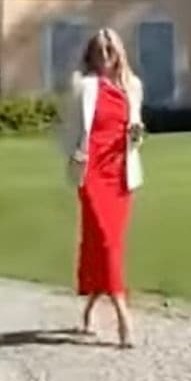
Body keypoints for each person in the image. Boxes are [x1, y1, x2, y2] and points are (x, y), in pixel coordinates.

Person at [61, 28, 145, 349]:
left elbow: (133, 135)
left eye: (110, 49)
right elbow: (68, 128)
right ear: (91, 55)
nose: (105, 55)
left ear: (119, 53)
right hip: (92, 174)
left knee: (106, 246)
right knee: (107, 242)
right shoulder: (83, 86)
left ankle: (90, 309)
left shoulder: (132, 88)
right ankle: (124, 317)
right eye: (99, 50)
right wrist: (73, 153)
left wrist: (136, 135)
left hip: (121, 176)